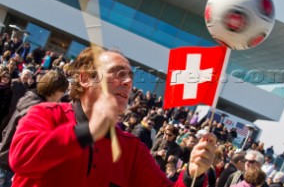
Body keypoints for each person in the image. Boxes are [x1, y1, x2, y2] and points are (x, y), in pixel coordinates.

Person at [9, 47, 217, 187]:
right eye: (117, 73)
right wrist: (87, 132)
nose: (127, 82)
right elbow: (21, 158)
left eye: (130, 77)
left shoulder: (133, 150)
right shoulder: (46, 114)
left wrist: (193, 174)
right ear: (85, 79)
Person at [0, 70, 69, 187]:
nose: (62, 96)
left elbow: (7, 130)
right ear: (54, 89)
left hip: (5, 156)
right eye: (62, 92)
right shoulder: (38, 108)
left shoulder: (30, 98)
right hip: (11, 163)